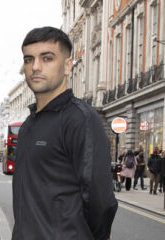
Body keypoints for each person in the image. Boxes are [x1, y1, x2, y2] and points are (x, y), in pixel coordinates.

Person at [12, 26, 117, 240]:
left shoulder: (80, 119)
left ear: (67, 65)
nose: (36, 67)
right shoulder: (28, 126)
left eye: (47, 58)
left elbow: (101, 202)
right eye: (29, 59)